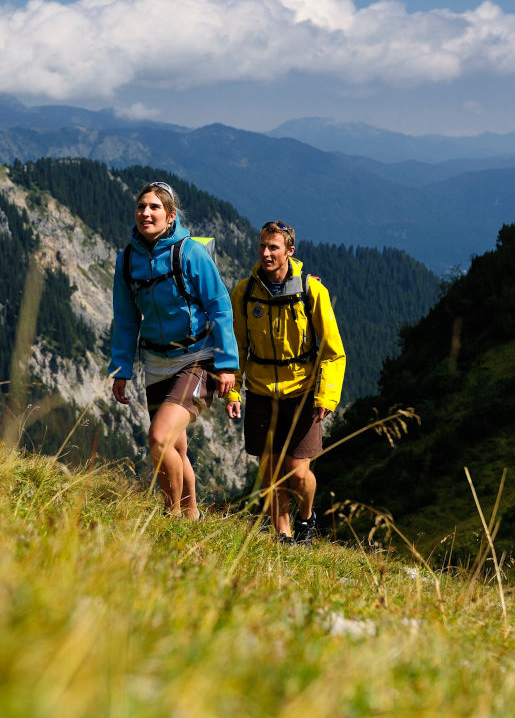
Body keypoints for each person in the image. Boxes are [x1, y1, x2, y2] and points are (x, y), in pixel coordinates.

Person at [110, 181, 238, 519]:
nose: (146, 213)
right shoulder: (126, 261)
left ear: (171, 215)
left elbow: (220, 306)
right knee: (176, 446)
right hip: (155, 363)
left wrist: (227, 365)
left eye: (154, 207)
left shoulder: (189, 253)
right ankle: (191, 516)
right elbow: (125, 320)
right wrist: (121, 370)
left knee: (159, 437)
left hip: (197, 359)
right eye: (141, 207)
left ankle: (171, 517)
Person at [225, 221, 345, 545]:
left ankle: (306, 518)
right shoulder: (245, 292)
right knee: (271, 470)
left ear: (290, 251)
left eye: (273, 247)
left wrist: (326, 396)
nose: (266, 253)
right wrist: (234, 389)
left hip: (302, 390)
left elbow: (333, 351)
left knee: (298, 470)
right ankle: (283, 535)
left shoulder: (311, 290)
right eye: (262, 246)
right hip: (261, 391)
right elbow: (237, 345)